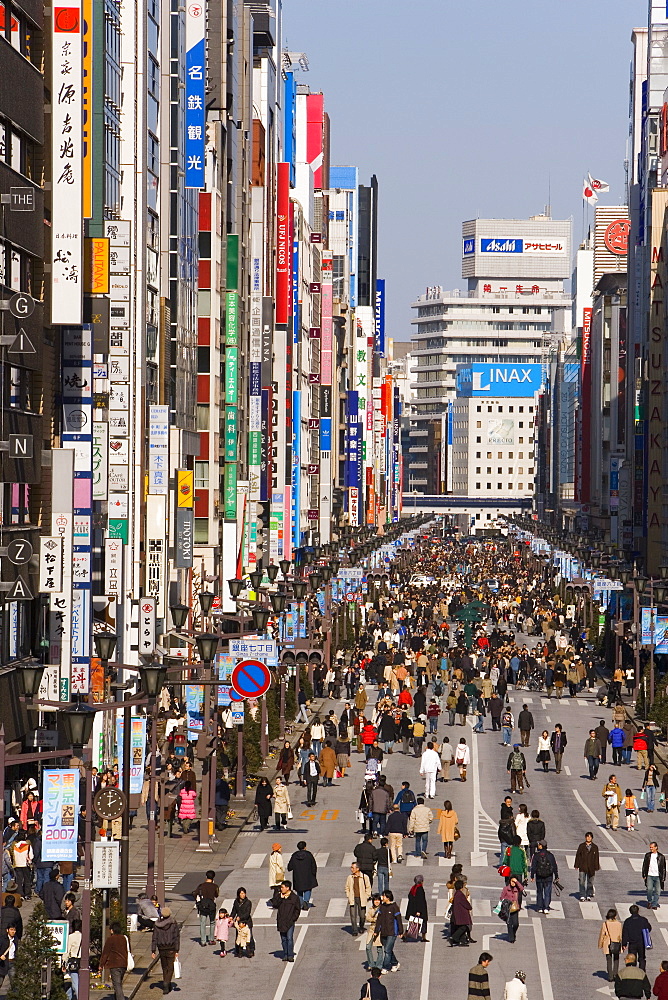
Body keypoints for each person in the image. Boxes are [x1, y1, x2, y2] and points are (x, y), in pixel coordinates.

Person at [151, 905, 181, 993]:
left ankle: (167, 985)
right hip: (171, 947)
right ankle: (166, 983)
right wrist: (177, 949)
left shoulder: (157, 924)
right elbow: (176, 937)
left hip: (161, 948)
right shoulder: (173, 923)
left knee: (164, 967)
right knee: (170, 967)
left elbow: (154, 937)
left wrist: (153, 950)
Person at [99, 922, 129, 1000]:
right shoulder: (123, 938)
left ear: (112, 930)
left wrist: (101, 964)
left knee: (117, 984)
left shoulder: (110, 939)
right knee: (119, 983)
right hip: (123, 963)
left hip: (114, 964)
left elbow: (106, 952)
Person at [287, 841, 318, 911]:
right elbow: (314, 866)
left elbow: (289, 867)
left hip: (298, 876)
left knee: (299, 891)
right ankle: (306, 902)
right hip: (308, 876)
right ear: (305, 847)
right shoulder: (309, 855)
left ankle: (301, 904)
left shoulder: (294, 855)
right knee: (308, 889)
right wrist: (313, 874)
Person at [276, 880, 301, 962]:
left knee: (289, 938)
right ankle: (285, 954)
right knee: (283, 939)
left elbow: (297, 909)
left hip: (290, 922)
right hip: (281, 921)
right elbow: (274, 904)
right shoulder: (280, 896)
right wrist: (280, 898)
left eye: (282, 887)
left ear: (288, 888)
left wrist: (293, 918)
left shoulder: (294, 898)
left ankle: (290, 955)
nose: (281, 889)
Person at [378, 889, 402, 974]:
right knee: (388, 949)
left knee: (387, 950)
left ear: (388, 897)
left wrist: (400, 931)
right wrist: (377, 930)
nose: (382, 897)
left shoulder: (394, 907)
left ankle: (385, 967)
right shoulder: (382, 907)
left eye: (383, 896)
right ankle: (395, 963)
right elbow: (379, 919)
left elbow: (399, 920)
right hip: (384, 931)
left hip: (392, 932)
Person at [530, 841, 558, 913]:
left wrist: (532, 875)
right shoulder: (550, 855)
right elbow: (554, 866)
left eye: (539, 844)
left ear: (541, 846)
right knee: (547, 892)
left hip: (539, 876)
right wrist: (556, 875)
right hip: (548, 876)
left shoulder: (536, 855)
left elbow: (533, 866)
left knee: (539, 891)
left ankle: (539, 907)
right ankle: (546, 907)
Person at [622, 904, 652, 970]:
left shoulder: (628, 921)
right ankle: (642, 972)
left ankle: (632, 971)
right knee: (642, 958)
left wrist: (624, 944)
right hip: (641, 942)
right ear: (638, 911)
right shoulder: (643, 920)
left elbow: (625, 933)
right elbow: (649, 928)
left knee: (632, 958)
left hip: (632, 943)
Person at [345, 862, 372, 935]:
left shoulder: (364, 877)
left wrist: (367, 896)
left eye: (353, 868)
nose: (351, 869)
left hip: (362, 898)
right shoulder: (350, 877)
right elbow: (347, 887)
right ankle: (354, 930)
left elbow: (368, 887)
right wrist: (348, 895)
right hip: (353, 898)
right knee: (353, 916)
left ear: (358, 869)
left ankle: (361, 926)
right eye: (351, 867)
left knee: (362, 916)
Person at [194, 869, 219, 946]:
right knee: (212, 922)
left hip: (203, 906)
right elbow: (216, 895)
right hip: (211, 906)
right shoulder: (215, 886)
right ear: (213, 877)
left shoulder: (201, 886)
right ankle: (211, 939)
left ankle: (203, 940)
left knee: (203, 923)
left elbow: (195, 893)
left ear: (206, 876)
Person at [599, 907, 623, 982]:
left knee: (609, 960)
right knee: (616, 959)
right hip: (616, 943)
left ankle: (610, 976)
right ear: (615, 916)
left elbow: (602, 935)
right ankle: (615, 974)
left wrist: (600, 944)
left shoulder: (605, 924)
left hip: (608, 943)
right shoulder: (619, 924)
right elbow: (620, 934)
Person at [575, 832, 600, 901]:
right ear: (585, 837)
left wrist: (596, 867)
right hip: (582, 867)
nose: (588, 838)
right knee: (581, 881)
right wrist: (576, 865)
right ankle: (582, 895)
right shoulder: (581, 846)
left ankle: (589, 894)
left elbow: (596, 858)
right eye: (587, 836)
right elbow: (578, 856)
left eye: (590, 837)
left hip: (591, 867)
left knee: (590, 882)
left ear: (592, 838)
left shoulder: (595, 847)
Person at [404, 874, 428, 942]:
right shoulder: (420, 889)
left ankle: (406, 934)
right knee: (423, 923)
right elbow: (420, 900)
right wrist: (419, 911)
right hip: (420, 909)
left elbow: (410, 897)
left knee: (412, 922)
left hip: (412, 909)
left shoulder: (413, 888)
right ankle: (423, 937)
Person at [642, 841, 666, 910]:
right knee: (649, 889)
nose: (651, 849)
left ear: (656, 847)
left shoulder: (661, 857)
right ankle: (649, 901)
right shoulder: (647, 855)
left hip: (658, 876)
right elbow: (644, 865)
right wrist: (644, 874)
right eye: (650, 847)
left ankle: (654, 904)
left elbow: (663, 868)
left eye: (652, 847)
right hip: (649, 875)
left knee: (657, 891)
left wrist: (663, 877)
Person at [230, 887, 254, 956]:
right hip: (239, 923)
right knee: (239, 937)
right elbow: (234, 910)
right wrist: (231, 917)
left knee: (249, 937)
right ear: (238, 894)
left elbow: (247, 913)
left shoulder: (248, 902)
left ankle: (250, 951)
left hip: (247, 922)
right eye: (241, 893)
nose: (243, 895)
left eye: (244, 893)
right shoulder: (236, 902)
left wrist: (240, 917)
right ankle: (238, 951)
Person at [450, 879, 474, 946]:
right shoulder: (460, 894)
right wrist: (470, 907)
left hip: (457, 913)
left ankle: (460, 940)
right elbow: (466, 903)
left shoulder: (456, 894)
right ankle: (454, 937)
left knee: (461, 927)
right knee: (465, 927)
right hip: (461, 914)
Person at [500, 875, 523, 943]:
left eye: (514, 882)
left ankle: (513, 933)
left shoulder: (517, 889)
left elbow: (521, 888)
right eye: (512, 881)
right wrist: (506, 902)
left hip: (515, 908)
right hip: (508, 908)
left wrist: (517, 882)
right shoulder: (506, 889)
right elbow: (501, 897)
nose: (513, 883)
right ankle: (511, 938)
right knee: (509, 923)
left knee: (516, 924)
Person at [62, 917, 81, 999]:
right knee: (77, 982)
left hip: (73, 961)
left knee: (74, 982)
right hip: (82, 961)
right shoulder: (84, 937)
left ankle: (78, 997)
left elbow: (67, 950)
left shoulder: (71, 937)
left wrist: (64, 961)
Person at [365, 894, 384, 972]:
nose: (377, 902)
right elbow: (368, 918)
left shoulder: (382, 909)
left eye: (378, 900)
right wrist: (375, 920)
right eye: (375, 900)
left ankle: (379, 965)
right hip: (372, 929)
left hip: (380, 930)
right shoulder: (371, 909)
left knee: (379, 949)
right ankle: (371, 964)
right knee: (368, 947)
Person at [268, 843, 285, 908]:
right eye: (280, 848)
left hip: (273, 874)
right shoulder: (278, 856)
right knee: (279, 889)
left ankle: (275, 901)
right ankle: (276, 902)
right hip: (278, 874)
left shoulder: (271, 854)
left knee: (276, 889)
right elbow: (281, 865)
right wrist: (283, 871)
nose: (281, 849)